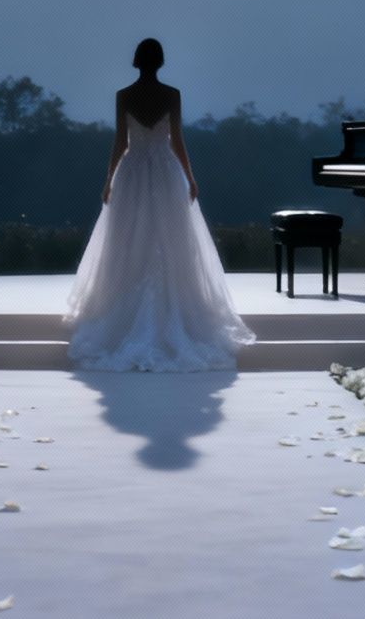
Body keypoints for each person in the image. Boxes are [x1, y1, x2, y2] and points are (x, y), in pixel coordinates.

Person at [64, 38, 255, 371]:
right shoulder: (172, 95)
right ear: (160, 61)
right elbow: (177, 140)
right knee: (171, 241)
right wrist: (190, 177)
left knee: (127, 241)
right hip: (165, 171)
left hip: (133, 170)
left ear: (137, 61)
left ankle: (121, 310)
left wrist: (108, 180)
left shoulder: (124, 95)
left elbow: (119, 142)